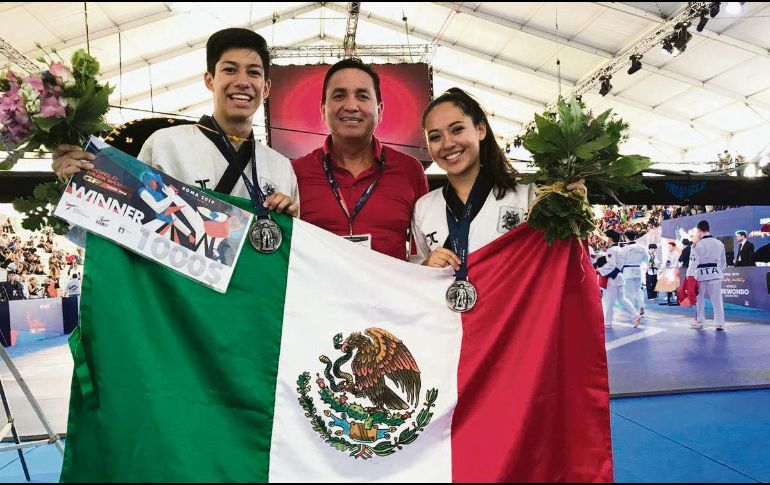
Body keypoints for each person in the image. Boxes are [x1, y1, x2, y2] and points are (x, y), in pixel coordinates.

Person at [52, 28, 298, 216]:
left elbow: (290, 253)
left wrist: (290, 222)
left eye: (253, 72)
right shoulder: (165, 144)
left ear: (266, 88)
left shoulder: (280, 166)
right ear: (210, 80)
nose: (243, 81)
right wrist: (79, 181)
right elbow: (124, 220)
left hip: (251, 283)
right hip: (176, 284)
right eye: (230, 70)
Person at [291, 58, 428, 260]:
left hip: (390, 291)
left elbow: (422, 253)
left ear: (380, 111)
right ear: (323, 110)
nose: (351, 106)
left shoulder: (410, 171)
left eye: (362, 96)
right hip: (317, 291)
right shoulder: (295, 172)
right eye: (339, 96)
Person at [409, 87, 535, 270]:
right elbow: (414, 273)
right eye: (435, 137)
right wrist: (427, 266)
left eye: (457, 129)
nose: (448, 144)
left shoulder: (526, 194)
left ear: (481, 130)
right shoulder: (424, 207)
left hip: (512, 299)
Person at [597, 230, 642, 328]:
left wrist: (599, 270)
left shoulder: (612, 250)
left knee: (609, 301)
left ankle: (607, 323)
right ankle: (636, 315)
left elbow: (611, 265)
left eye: (607, 238)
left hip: (612, 279)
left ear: (610, 238)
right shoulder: (620, 249)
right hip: (619, 277)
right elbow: (618, 264)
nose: (606, 240)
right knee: (622, 299)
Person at [690, 221, 727, 331]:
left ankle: (700, 321)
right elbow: (723, 263)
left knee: (699, 299)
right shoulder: (719, 243)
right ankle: (719, 323)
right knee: (717, 300)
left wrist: (690, 276)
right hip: (715, 273)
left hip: (701, 275)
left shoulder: (697, 245)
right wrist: (718, 270)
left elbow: (693, 263)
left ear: (699, 230)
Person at [621, 230, 646, 316]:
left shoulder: (624, 249)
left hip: (627, 270)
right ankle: (641, 305)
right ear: (635, 237)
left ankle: (633, 311)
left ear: (626, 238)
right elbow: (646, 259)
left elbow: (621, 261)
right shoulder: (642, 247)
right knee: (638, 290)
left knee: (629, 292)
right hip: (638, 269)